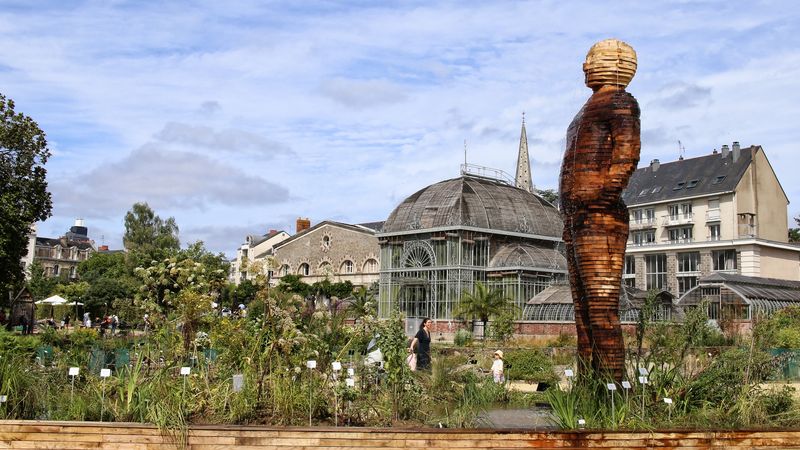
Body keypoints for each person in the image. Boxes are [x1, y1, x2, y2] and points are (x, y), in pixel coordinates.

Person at [559, 39, 640, 381]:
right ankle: (589, 386)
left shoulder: (620, 102)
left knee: (602, 308)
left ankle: (612, 388)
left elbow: (627, 151)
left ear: (613, 62)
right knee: (583, 312)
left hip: (598, 216)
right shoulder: (585, 110)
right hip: (576, 218)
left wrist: (603, 193)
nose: (584, 65)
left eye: (591, 58)